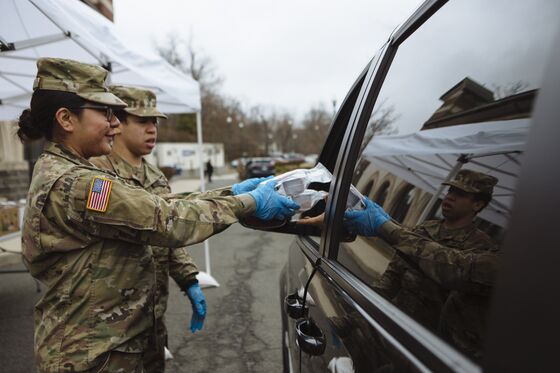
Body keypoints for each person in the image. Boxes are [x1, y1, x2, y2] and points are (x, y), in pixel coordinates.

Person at [18, 57, 299, 373]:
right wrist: (246, 202)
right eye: (104, 112)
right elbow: (166, 219)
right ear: (66, 119)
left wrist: (231, 194)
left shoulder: (67, 172)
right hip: (93, 354)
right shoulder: (79, 183)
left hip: (106, 346)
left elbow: (157, 208)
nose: (114, 123)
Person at [89, 85, 212, 372]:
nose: (152, 129)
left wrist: (189, 280)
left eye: (155, 122)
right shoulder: (97, 175)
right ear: (117, 123)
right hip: (112, 324)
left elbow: (169, 234)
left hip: (153, 317)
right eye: (143, 121)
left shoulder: (155, 177)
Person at [344, 169, 499, 360]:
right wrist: (353, 319)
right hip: (390, 331)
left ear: (478, 204)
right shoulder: (424, 230)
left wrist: (386, 228)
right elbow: (389, 281)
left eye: (460, 194)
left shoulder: (482, 250)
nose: (450, 197)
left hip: (428, 350)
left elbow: (453, 272)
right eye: (450, 191)